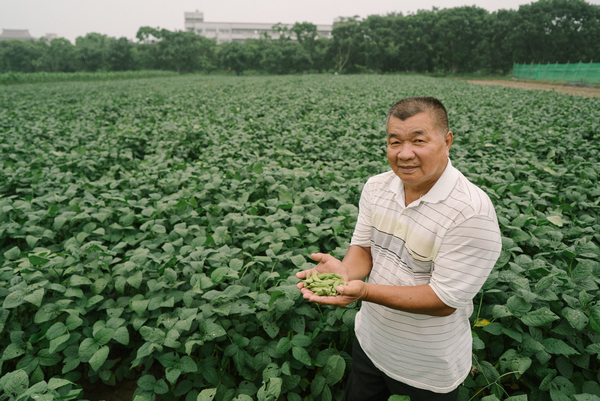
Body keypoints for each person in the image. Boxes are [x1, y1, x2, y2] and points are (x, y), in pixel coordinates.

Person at [296, 97, 502, 401]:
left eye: (418, 141)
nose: (405, 154)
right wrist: (344, 272)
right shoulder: (376, 187)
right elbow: (364, 248)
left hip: (427, 367)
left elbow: (443, 300)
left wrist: (364, 292)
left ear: (447, 142)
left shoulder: (471, 212)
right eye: (395, 142)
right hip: (370, 342)